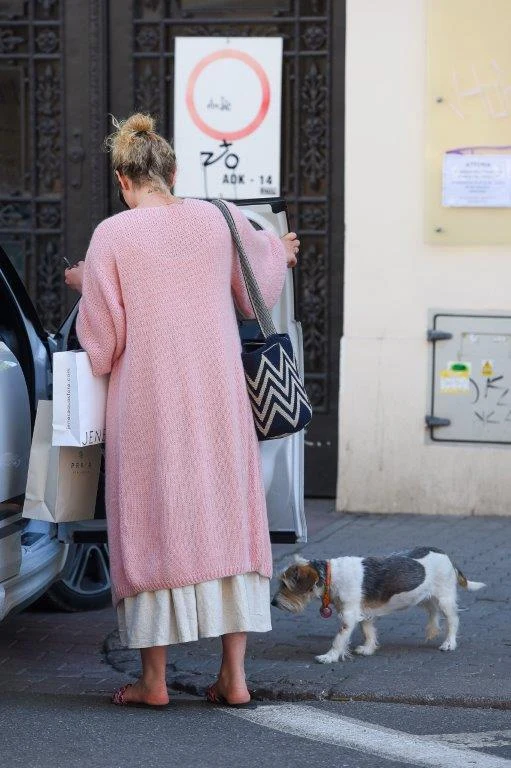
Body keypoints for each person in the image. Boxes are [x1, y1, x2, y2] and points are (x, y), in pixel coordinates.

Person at [64, 113, 299, 708]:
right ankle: (234, 677)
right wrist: (281, 252)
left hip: (147, 404)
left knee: (152, 519)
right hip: (219, 398)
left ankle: (154, 681)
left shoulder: (111, 236)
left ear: (123, 180)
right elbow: (258, 289)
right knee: (227, 514)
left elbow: (102, 344)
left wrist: (87, 285)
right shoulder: (219, 218)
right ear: (173, 173)